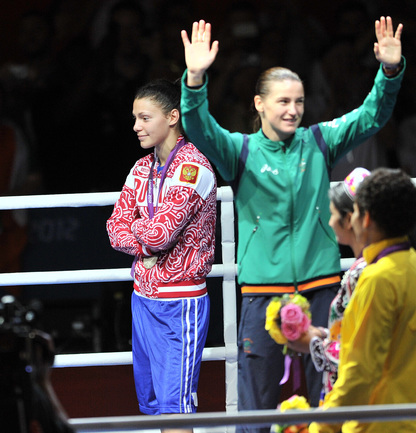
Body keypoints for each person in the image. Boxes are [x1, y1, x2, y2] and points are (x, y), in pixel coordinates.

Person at [180, 15, 404, 427]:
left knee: (329, 400)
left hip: (321, 290)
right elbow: (198, 126)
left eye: (299, 101)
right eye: (283, 101)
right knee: (257, 409)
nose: (293, 110)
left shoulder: (319, 141)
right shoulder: (240, 150)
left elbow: (371, 116)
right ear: (259, 104)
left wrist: (388, 72)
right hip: (262, 293)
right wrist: (195, 81)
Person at [106, 79, 217, 433]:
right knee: (155, 406)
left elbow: (161, 234)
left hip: (179, 303)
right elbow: (114, 228)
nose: (135, 126)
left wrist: (139, 229)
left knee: (175, 410)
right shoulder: (141, 168)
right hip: (142, 299)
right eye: (135, 118)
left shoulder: (193, 168)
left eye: (144, 117)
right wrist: (146, 236)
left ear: (172, 117)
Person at [309, 167, 416, 433]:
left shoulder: (377, 279)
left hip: (380, 424)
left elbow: (360, 372)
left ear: (365, 218)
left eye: (355, 212)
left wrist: (320, 428)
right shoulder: (409, 265)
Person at [286, 167, 370, 406]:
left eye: (332, 214)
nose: (330, 222)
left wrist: (312, 344)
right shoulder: (373, 266)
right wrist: (322, 334)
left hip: (357, 401)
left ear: (350, 219)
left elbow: (363, 354)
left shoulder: (363, 274)